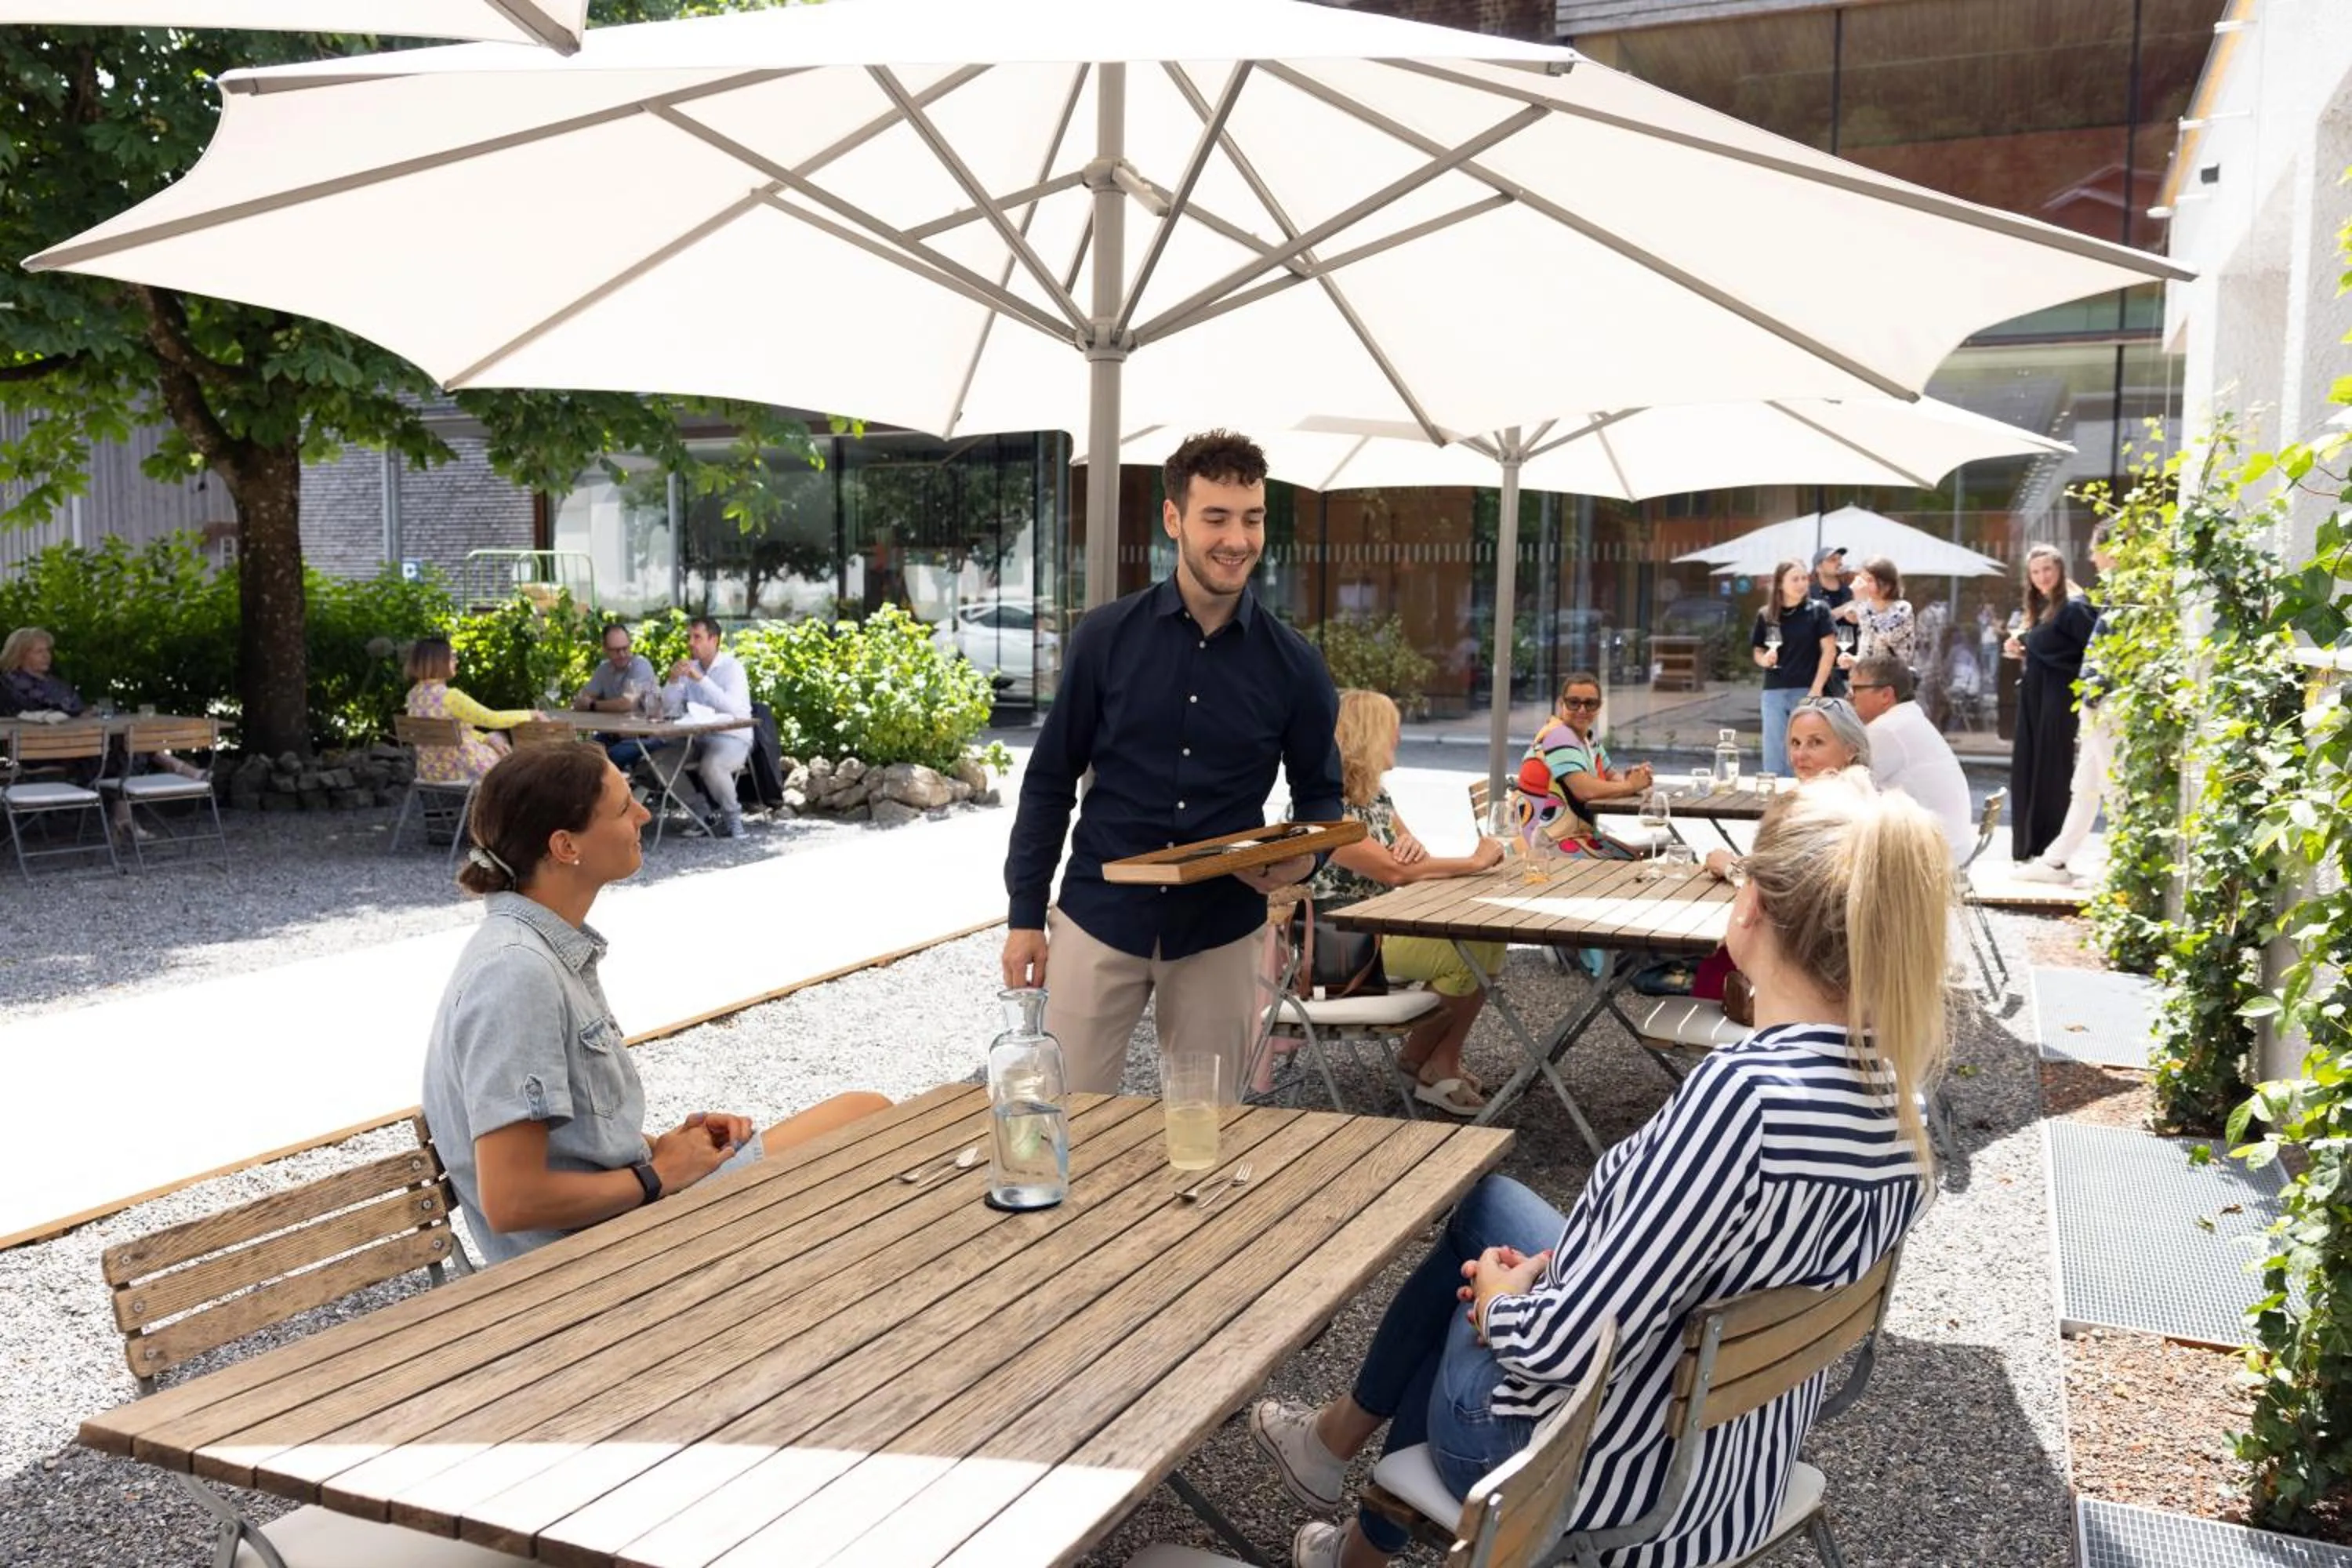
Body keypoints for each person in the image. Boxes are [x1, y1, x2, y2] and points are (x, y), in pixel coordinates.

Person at [1250, 771, 1946, 1568]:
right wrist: (1553, 1271)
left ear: (1751, 904)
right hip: (1741, 1467)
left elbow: (1561, 1349)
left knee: (1464, 1293)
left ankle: (1347, 1510)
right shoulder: (1901, 1099)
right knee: (1491, 1204)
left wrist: (1500, 1303)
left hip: (1608, 1486)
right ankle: (1334, 1469)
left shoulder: (1743, 1100)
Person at [420, 744, 890, 1266]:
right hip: (600, 1261)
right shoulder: (515, 972)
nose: (644, 814)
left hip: (625, 1223)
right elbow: (512, 1201)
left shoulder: (535, 950)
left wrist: (672, 1147)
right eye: (624, 807)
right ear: (565, 845)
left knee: (861, 1124)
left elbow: (570, 1139)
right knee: (865, 1116)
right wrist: (658, 1175)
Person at [1002, 429, 1343, 1095]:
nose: (1237, 539)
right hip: (1099, 914)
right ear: (1173, 518)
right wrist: (1024, 915)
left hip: (1221, 929)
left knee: (1205, 1129)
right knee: (1061, 1117)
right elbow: (1049, 781)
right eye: (1216, 517)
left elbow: (1322, 797)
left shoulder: (1296, 665)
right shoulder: (1105, 637)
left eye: (1252, 519)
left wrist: (1304, 860)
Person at [1311, 690, 1507, 1116]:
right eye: (1393, 728)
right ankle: (1420, 1061)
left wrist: (1413, 850)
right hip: (1338, 947)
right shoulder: (1324, 807)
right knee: (1465, 952)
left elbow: (1413, 857)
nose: (1399, 737)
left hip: (1378, 930)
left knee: (1490, 940)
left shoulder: (1376, 797)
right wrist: (1474, 862)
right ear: (1368, 735)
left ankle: (1441, 1060)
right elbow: (1395, 873)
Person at [0, 625, 199, 835]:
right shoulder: (11, 684)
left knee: (126, 746)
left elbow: (73, 708)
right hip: (43, 751)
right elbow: (33, 713)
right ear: (20, 654)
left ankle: (125, 816)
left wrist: (87, 712)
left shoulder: (52, 682)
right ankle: (164, 776)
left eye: (47, 650)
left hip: (79, 745)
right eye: (39, 651)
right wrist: (76, 715)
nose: (46, 656)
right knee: (124, 747)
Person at [2016, 525, 2118, 884]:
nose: (2091, 558)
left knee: (2112, 786)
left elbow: (2096, 650)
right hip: (2094, 701)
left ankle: (2118, 868)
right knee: (2085, 787)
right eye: (2036, 571)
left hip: (2101, 700)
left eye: (2094, 550)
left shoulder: (2085, 603)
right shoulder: (2110, 593)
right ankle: (2055, 861)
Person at [2004, 543, 2099, 863]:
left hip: (2059, 698)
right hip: (2035, 696)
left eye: (2047, 569)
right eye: (2035, 572)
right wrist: (2024, 648)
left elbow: (2089, 652)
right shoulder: (2043, 606)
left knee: (2052, 770)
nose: (2042, 577)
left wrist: (2031, 642)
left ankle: (2049, 847)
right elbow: (2052, 647)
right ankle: (2031, 846)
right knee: (2029, 766)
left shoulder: (2075, 606)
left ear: (2060, 569)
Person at [1849, 654, 1973, 863]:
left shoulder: (1887, 729)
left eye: (1856, 689)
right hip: (1947, 852)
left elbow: (1848, 788)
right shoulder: (1905, 719)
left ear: (1886, 695)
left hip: (1931, 861)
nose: (1849, 697)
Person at [1515, 673, 1653, 857]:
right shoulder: (1557, 736)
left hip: (1573, 834)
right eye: (1574, 703)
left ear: (1599, 707)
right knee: (1629, 860)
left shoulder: (1588, 739)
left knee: (1632, 856)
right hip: (1544, 843)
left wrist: (1634, 779)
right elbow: (1584, 791)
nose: (1582, 709)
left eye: (1590, 704)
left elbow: (1610, 775)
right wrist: (1630, 786)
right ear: (1561, 704)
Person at [662, 616, 755, 840]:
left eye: (697, 637)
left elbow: (734, 709)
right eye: (689, 637)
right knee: (659, 763)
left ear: (714, 640)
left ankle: (733, 819)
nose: (690, 643)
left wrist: (701, 680)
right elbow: (668, 708)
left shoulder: (732, 668)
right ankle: (701, 813)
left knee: (712, 766)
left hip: (732, 736)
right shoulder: (690, 668)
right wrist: (673, 681)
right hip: (695, 738)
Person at [405, 636, 540, 783]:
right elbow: (492, 719)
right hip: (463, 769)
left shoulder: (413, 696)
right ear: (439, 661)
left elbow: (453, 732)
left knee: (493, 737)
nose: (456, 661)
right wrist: (531, 714)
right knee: (502, 740)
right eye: (452, 657)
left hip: (430, 773)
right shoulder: (450, 697)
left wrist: (485, 739)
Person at [1751, 561, 1837, 776]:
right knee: (1774, 751)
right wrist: (1765, 660)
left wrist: (1816, 689)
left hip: (1806, 690)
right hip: (1773, 690)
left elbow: (1829, 651)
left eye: (1804, 578)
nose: (1801, 584)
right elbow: (1758, 651)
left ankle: (1801, 792)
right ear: (1780, 584)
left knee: (1804, 749)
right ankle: (1773, 792)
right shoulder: (1766, 615)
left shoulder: (1818, 611)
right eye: (1795, 579)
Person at [1833, 555, 1917, 671]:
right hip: (1868, 677)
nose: (1864, 585)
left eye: (1870, 580)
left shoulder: (1902, 608)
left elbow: (1883, 637)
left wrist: (1860, 602)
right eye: (1862, 579)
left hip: (1893, 677)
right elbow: (1869, 652)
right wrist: (1854, 660)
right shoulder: (1867, 608)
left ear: (1887, 585)